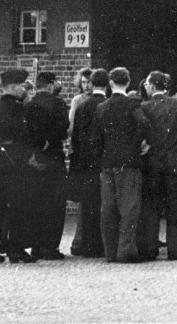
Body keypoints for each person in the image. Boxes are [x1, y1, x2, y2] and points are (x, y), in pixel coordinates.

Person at [138, 70, 177, 260]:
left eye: (147, 84)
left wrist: (146, 141)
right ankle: (175, 250)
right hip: (173, 159)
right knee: (176, 206)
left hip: (153, 161)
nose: (146, 87)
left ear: (153, 85)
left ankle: (149, 248)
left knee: (151, 205)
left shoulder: (145, 106)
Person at [93, 66, 151, 263]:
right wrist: (136, 145)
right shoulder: (132, 104)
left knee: (107, 208)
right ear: (128, 82)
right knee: (129, 208)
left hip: (107, 162)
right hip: (128, 162)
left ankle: (110, 252)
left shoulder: (101, 107)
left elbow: (96, 137)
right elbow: (143, 124)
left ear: (110, 83)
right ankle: (125, 250)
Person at [0, 67, 38, 264]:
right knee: (19, 205)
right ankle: (16, 248)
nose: (24, 89)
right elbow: (26, 137)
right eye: (22, 85)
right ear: (13, 86)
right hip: (17, 163)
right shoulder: (21, 109)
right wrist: (27, 157)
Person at [24, 70, 70, 260]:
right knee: (55, 204)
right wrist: (50, 141)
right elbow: (63, 128)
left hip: (34, 159)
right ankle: (50, 247)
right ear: (51, 85)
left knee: (36, 203)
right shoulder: (57, 103)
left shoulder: (30, 104)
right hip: (53, 158)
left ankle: (36, 246)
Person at [68, 68, 109, 258]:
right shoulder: (106, 105)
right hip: (102, 161)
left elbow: (75, 135)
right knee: (103, 204)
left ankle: (86, 244)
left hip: (86, 163)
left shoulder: (83, 106)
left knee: (88, 204)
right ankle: (100, 244)